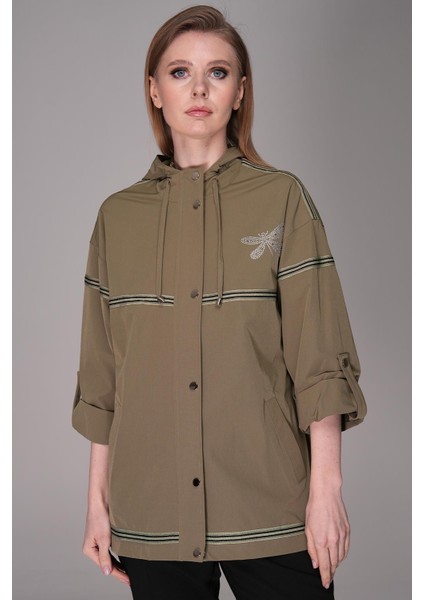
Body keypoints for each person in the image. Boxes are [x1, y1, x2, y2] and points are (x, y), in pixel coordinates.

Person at [71, 5, 367, 599]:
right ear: (155, 90)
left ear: (241, 91)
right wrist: (97, 502)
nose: (200, 89)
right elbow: (104, 374)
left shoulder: (283, 199)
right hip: (151, 509)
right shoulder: (116, 217)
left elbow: (319, 358)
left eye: (219, 72)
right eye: (180, 72)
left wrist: (326, 491)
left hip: (274, 507)